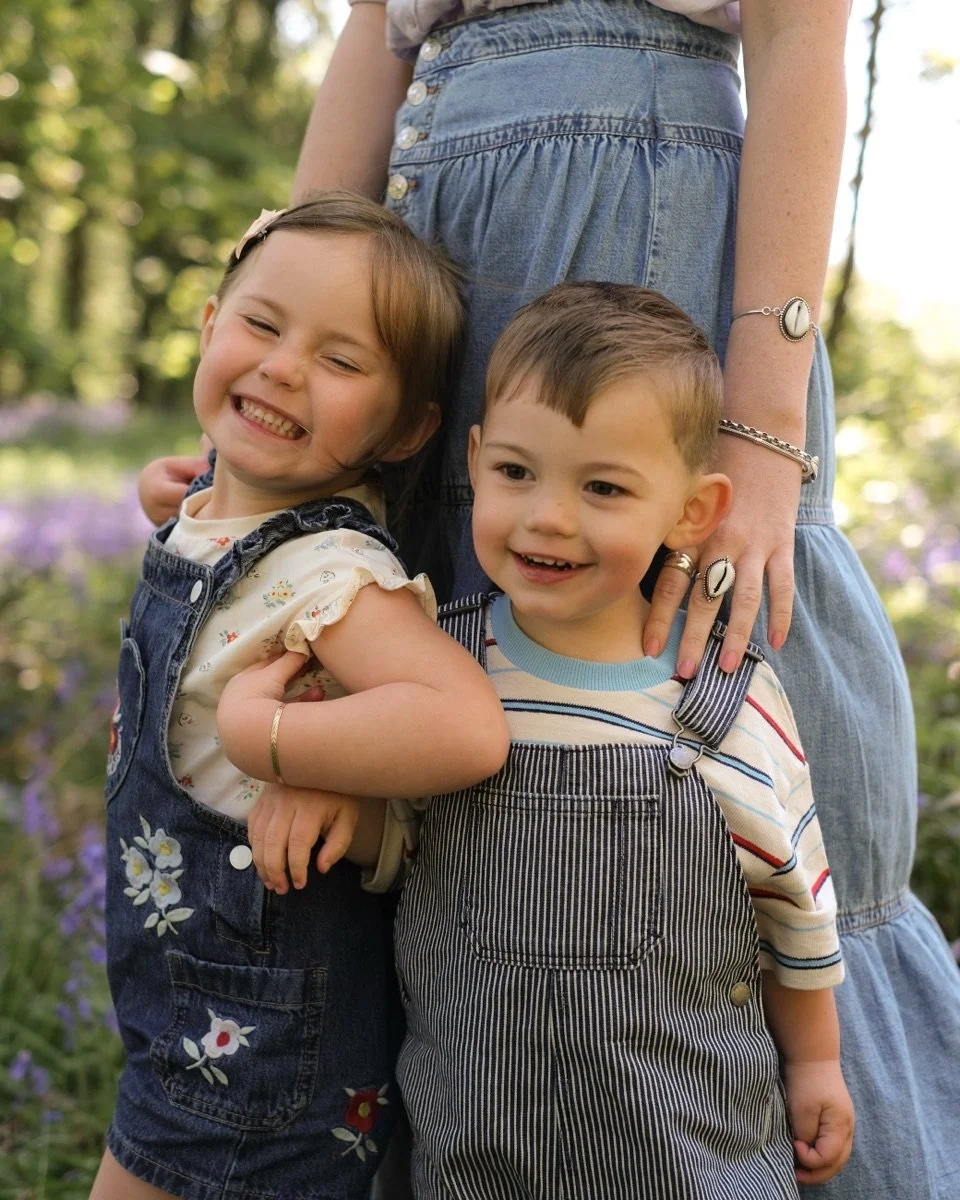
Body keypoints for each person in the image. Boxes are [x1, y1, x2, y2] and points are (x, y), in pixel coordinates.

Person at [142, 1, 960, 1194]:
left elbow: (799, 29)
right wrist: (275, 426)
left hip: (626, 223)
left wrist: (764, 427)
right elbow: (381, 33)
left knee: (685, 682)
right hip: (419, 261)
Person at [379, 281, 854, 1197]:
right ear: (474, 462)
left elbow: (796, 902)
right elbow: (393, 836)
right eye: (518, 472)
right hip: (476, 1146)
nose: (548, 516)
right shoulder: (437, 664)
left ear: (691, 512)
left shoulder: (720, 698)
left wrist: (818, 1064)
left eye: (602, 487)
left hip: (686, 1148)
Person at [93, 194, 509, 1200]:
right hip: (188, 1018)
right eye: (263, 326)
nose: (283, 367)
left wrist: (274, 740)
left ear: (407, 429)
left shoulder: (328, 575)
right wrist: (192, 484)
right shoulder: (222, 508)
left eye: (341, 362)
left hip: (260, 1051)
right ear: (209, 327)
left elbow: (465, 727)